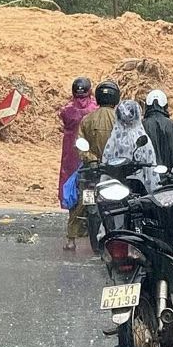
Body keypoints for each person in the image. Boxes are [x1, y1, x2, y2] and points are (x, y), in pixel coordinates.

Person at [70, 80, 119, 251]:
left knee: (87, 204)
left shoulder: (87, 119)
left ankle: (74, 237)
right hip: (115, 172)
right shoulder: (121, 118)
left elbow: (80, 144)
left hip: (92, 172)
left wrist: (90, 159)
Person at [58, 77, 97, 250]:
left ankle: (72, 235)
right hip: (90, 158)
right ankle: (90, 231)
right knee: (91, 193)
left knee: (72, 193)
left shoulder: (67, 110)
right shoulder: (95, 109)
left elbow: (64, 117)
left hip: (71, 159)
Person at [103, 100, 159, 192]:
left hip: (117, 186)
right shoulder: (142, 136)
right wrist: (154, 191)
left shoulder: (115, 137)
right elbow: (151, 168)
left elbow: (106, 160)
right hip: (139, 186)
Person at [142, 89, 173, 168]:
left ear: (147, 106)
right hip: (171, 175)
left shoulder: (141, 125)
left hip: (148, 173)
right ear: (165, 106)